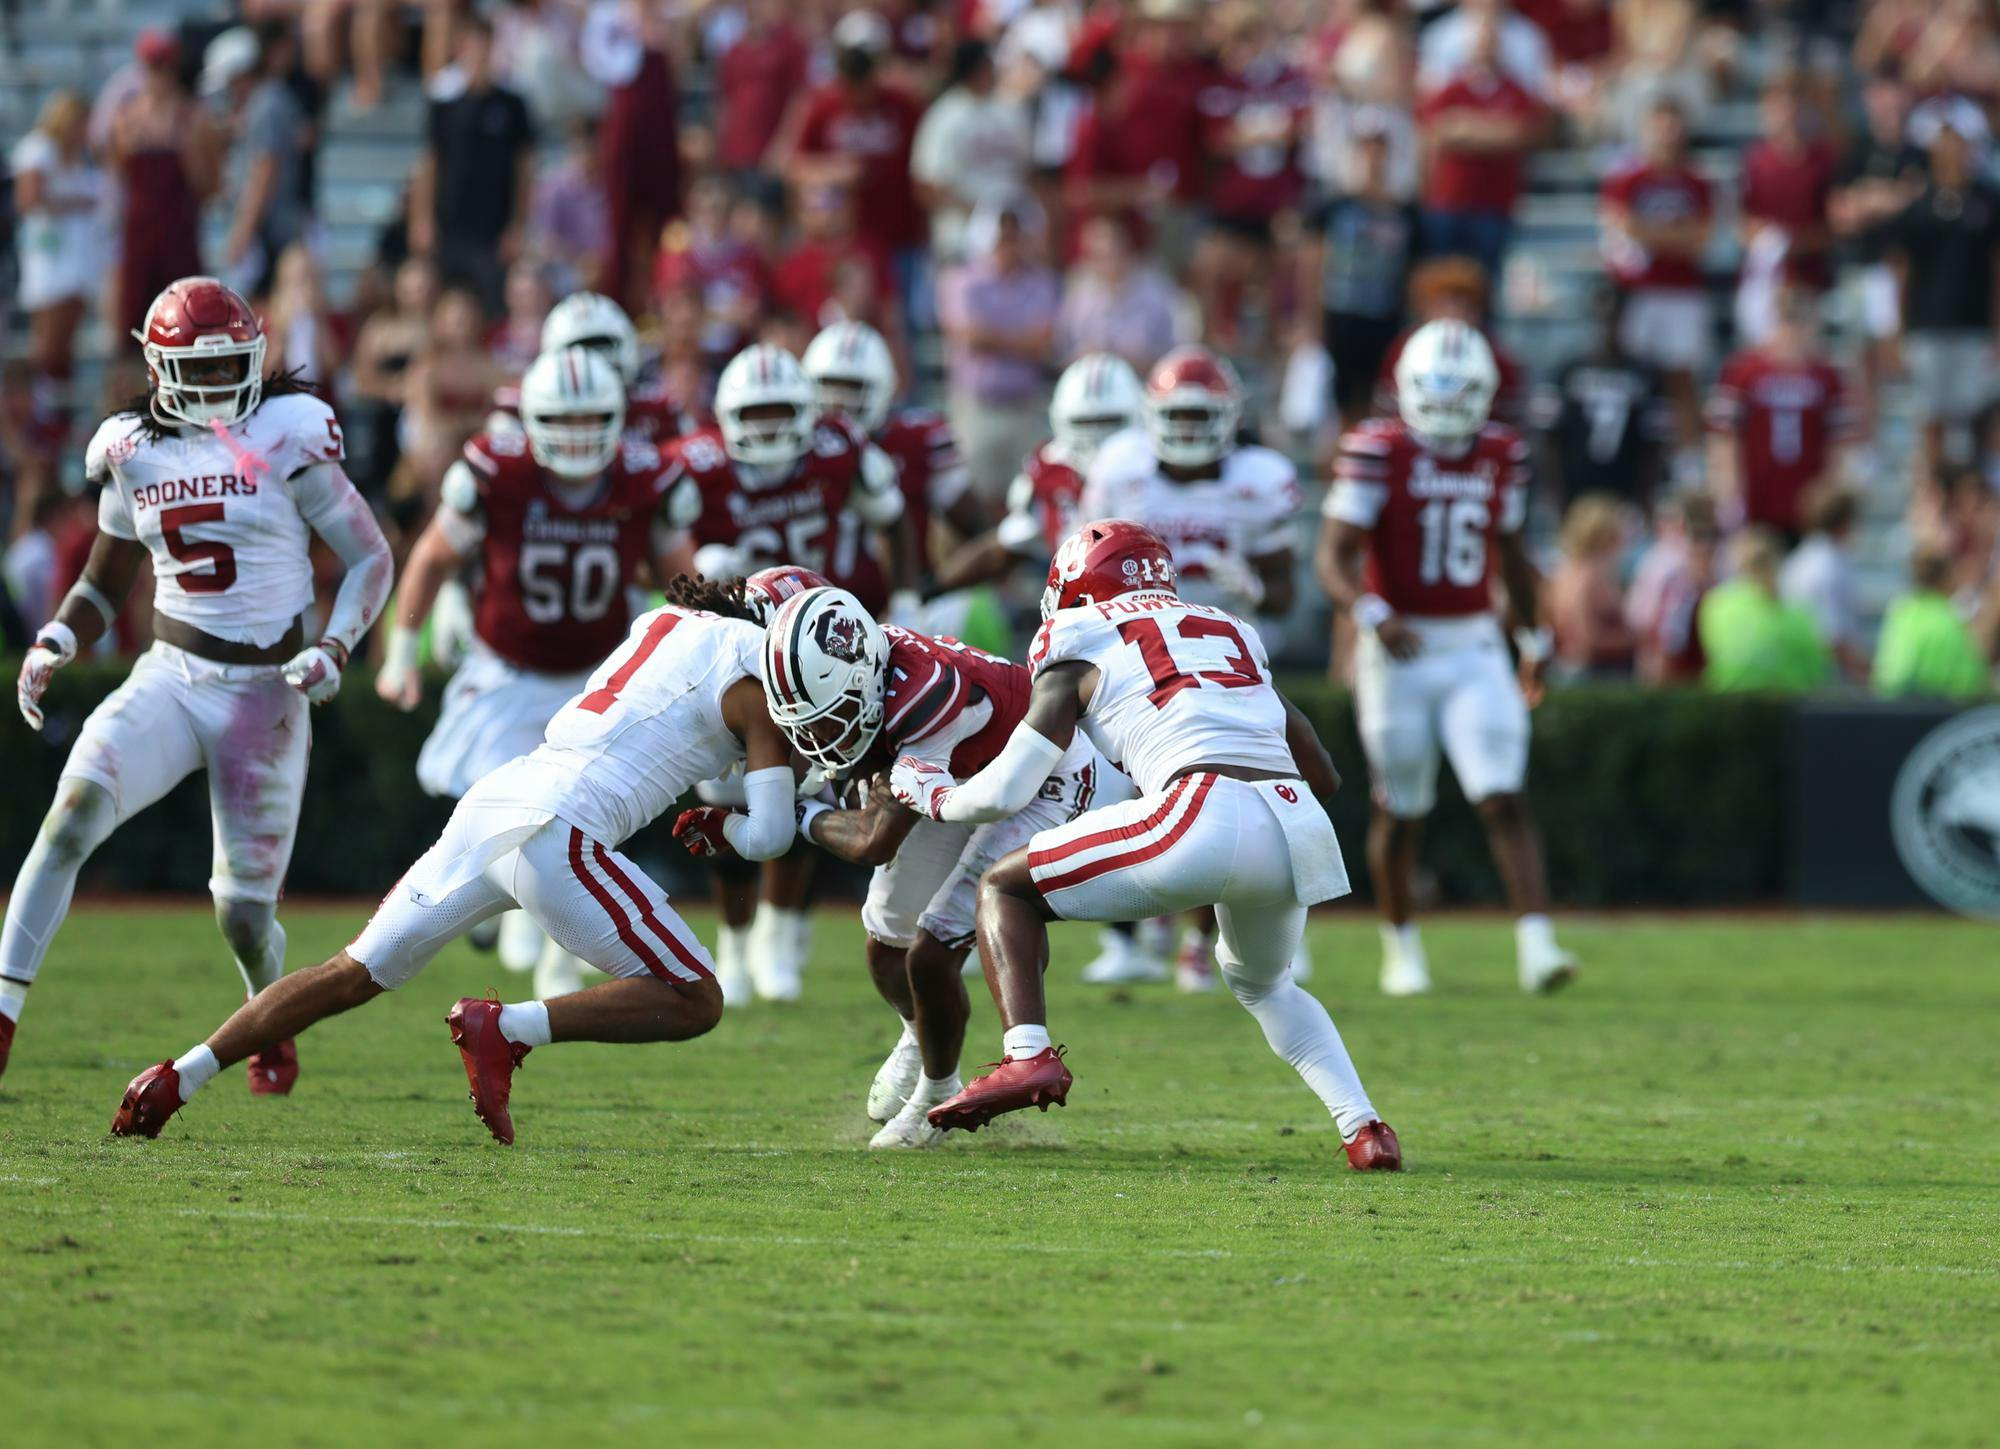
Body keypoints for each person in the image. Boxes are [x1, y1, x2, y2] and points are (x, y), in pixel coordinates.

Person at [109, 576, 804, 1143]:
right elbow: (770, 834)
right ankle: (507, 1027)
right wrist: (727, 826)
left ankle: (178, 1075)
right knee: (696, 996)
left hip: (498, 798)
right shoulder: (753, 680)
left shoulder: (668, 624)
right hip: (559, 826)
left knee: (348, 972)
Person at [898, 520, 1400, 1172]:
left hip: (1197, 808)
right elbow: (1323, 772)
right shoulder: (1228, 629)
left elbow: (1009, 790)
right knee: (1266, 983)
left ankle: (1028, 1054)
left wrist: (933, 793)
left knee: (1003, 887)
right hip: (1292, 823)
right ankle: (1365, 1128)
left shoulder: (1077, 633)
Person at [5, 277, 394, 1084]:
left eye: (231, 368)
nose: (219, 387)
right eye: (201, 370)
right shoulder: (132, 449)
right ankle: (2, 1017)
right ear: (159, 369)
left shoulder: (288, 434)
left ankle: (265, 1014)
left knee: (244, 915)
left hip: (267, 696)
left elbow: (370, 557)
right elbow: (104, 580)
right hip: (173, 678)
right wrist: (55, 636)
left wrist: (337, 646)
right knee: (70, 814)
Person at [374, 344, 692, 995]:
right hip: (509, 672)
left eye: (590, 419)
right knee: (500, 811)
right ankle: (495, 915)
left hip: (600, 676)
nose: (577, 434)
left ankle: (551, 939)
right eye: (563, 419)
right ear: (533, 419)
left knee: (584, 814)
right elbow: (432, 557)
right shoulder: (500, 471)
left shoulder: (644, 477)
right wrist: (403, 649)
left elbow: (684, 580)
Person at [750, 585, 1105, 1148]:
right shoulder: (864, 669)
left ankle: (935, 1094)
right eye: (809, 723)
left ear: (865, 681)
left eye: (833, 717)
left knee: (933, 952)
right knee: (885, 944)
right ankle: (921, 1038)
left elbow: (873, 841)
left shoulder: (925, 698)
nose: (820, 737)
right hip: (959, 775)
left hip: (1042, 780)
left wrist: (792, 812)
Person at [1315, 319, 1576, 998]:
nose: (1450, 404)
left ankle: (1538, 944)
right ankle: (1400, 947)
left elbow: (1513, 557)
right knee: (1401, 807)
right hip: (1398, 647)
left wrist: (1534, 639)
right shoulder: (1378, 448)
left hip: (1473, 641)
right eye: (1438, 389)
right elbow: (1334, 555)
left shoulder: (1500, 451)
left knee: (1503, 795)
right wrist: (1372, 612)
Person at [662, 343, 913, 1001]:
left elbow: (894, 520)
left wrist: (906, 598)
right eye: (756, 413)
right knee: (724, 794)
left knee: (810, 790)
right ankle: (735, 940)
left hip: (820, 646)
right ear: (727, 415)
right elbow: (656, 544)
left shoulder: (840, 449)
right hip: (734, 650)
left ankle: (778, 938)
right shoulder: (695, 466)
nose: (770, 427)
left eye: (782, 412)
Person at [1079, 344, 1303, 991]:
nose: (1186, 430)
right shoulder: (1120, 470)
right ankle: (1138, 931)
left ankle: (1199, 942)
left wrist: (1253, 587)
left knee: (1220, 795)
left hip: (1224, 665)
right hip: (1141, 663)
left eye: (1200, 414)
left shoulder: (1256, 479)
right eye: (1175, 415)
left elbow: (1287, 591)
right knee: (1123, 793)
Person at [935, 352, 1144, 596]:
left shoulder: (1158, 468)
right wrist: (930, 591)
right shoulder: (1050, 472)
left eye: (1108, 421)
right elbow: (1006, 546)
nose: (1094, 437)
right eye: (1083, 423)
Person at [803, 320, 980, 589]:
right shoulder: (798, 448)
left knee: (972, 608)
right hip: (812, 599)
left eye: (852, 389)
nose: (838, 403)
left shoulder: (917, 439)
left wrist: (933, 589)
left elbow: (975, 525)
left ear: (882, 387)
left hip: (906, 601)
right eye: (829, 387)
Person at [1889, 108, 2000, 489]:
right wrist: (1900, 332)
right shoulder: (1918, 208)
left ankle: (1979, 495)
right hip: (1929, 325)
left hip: (1975, 327)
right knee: (1932, 416)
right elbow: (1902, 272)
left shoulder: (1988, 203)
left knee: (1980, 415)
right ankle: (1934, 496)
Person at [1599, 97, 1713, 449]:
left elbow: (1700, 241)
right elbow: (1618, 230)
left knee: (1682, 380)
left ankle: (1687, 459)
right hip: (1639, 293)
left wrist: (1649, 232)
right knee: (1634, 381)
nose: (1665, 135)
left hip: (1682, 292)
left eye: (1671, 125)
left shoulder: (1696, 181)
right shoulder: (1627, 179)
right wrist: (1673, 233)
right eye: (1659, 125)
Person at [1297, 115, 1422, 434]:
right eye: (1366, 148)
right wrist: (1310, 322)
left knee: (1374, 400)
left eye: (1379, 149)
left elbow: (1412, 271)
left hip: (1384, 317)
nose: (1373, 158)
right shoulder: (1333, 207)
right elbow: (1312, 265)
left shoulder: (1404, 212)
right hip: (1340, 315)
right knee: (1337, 405)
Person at [937, 198, 1061, 505]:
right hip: (978, 407)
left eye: (1014, 236)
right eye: (1003, 236)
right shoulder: (963, 280)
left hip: (1024, 408)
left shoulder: (1041, 282)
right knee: (975, 499)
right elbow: (968, 335)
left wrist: (992, 337)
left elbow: (1043, 344)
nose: (1009, 245)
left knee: (1029, 500)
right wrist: (1021, 341)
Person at [1706, 288, 1853, 543]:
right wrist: (1728, 492)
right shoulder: (1743, 371)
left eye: (1798, 318)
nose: (1792, 328)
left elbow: (1840, 446)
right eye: (1786, 317)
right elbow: (1723, 437)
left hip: (1808, 504)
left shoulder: (1827, 376)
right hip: (1758, 497)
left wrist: (1831, 497)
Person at [411, 17, 536, 315]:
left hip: (493, 228)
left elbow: (525, 169)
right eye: (472, 46)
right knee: (446, 307)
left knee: (492, 308)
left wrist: (518, 224)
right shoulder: (445, 105)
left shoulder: (512, 105)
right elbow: (429, 164)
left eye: (484, 46)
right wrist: (422, 218)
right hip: (450, 224)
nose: (478, 54)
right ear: (460, 49)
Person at [107, 32, 224, 342]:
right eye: (152, 65)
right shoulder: (127, 119)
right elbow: (121, 178)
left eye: (163, 65)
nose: (158, 74)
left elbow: (211, 187)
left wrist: (189, 159)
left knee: (186, 320)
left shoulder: (195, 119)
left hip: (178, 234)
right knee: (133, 325)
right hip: (141, 235)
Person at [1414, 16, 1545, 286]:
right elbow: (1435, 130)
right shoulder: (1452, 88)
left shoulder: (1514, 90)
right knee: (1441, 282)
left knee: (1484, 286)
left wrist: (1464, 127)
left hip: (1493, 205)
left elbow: (1520, 133)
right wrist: (1493, 131)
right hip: (1449, 201)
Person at [1534, 289, 1670, 510]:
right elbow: (1549, 440)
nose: (1608, 327)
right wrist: (1556, 497)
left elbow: (1654, 447)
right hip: (1576, 489)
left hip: (1625, 491)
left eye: (1615, 317)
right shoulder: (1566, 370)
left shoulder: (1647, 374)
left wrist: (1644, 501)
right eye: (1603, 318)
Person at [910, 39, 1033, 268]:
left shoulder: (1011, 109)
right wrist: (979, 214)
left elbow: (1028, 171)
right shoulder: (945, 115)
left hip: (1014, 239)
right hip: (961, 239)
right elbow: (925, 185)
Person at [10, 91, 104, 388]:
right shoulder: (38, 149)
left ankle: (56, 405)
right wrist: (77, 203)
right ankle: (43, 400)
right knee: (50, 339)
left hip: (77, 259)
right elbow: (29, 199)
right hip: (51, 258)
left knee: (66, 342)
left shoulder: (79, 157)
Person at [1697, 528, 1829, 693]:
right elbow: (1815, 672)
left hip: (1729, 706)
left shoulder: (1715, 603)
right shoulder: (1797, 614)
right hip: (1787, 710)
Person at [1056, 215, 1183, 372]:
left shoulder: (1157, 293)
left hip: (1144, 387)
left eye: (1115, 253)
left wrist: (1126, 361)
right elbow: (1060, 355)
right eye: (1100, 256)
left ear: (1128, 252)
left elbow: (1174, 357)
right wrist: (1084, 357)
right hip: (1090, 388)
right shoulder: (1078, 299)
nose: (1110, 263)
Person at [1872, 545, 1992, 699]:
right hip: (1939, 715)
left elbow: (1886, 678)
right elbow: (1971, 683)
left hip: (1894, 711)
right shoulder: (1950, 621)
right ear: (1946, 577)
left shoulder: (1900, 613)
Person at [1779, 485, 1867, 682]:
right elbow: (1833, 636)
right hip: (1827, 681)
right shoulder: (1829, 567)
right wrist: (1865, 677)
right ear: (1845, 522)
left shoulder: (1797, 560)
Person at [1545, 493, 1636, 680]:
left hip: (1572, 670)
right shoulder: (1587, 578)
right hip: (1593, 675)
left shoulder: (1565, 572)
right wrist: (1635, 640)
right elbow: (1586, 640)